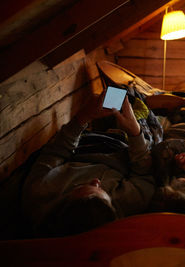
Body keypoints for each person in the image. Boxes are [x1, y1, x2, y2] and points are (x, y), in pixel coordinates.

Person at [21, 92, 155, 237]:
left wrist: (83, 117)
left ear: (65, 198)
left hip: (85, 142)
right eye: (101, 188)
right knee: (136, 107)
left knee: (114, 98)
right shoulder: (127, 203)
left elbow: (56, 151)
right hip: (125, 147)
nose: (97, 181)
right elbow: (144, 171)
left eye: (86, 185)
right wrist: (135, 132)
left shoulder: (39, 193)